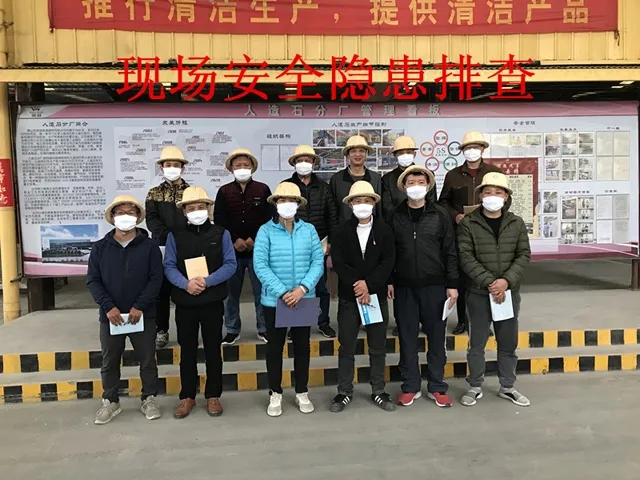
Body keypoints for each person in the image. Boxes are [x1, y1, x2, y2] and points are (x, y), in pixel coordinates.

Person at [457, 172, 531, 407]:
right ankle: (474, 386)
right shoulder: (469, 223)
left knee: (507, 342)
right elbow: (465, 256)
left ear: (506, 196)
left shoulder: (516, 223)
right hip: (478, 293)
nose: (492, 196)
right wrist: (491, 282)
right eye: (487, 192)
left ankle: (507, 386)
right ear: (480, 195)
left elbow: (523, 254)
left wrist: (506, 281)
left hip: (507, 293)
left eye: (498, 192)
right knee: (477, 343)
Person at [87, 195, 163, 425]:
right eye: (120, 212)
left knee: (147, 360)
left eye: (130, 212)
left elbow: (156, 279)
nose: (125, 217)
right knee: (110, 361)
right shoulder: (100, 248)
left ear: (138, 217)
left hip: (142, 315)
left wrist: (140, 306)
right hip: (111, 317)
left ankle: (149, 398)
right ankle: (111, 401)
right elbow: (93, 281)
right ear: (112, 217)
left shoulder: (149, 247)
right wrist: (108, 307)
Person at [387, 165, 458, 408]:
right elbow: (389, 252)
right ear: (404, 187)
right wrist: (389, 280)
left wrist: (452, 284)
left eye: (420, 182)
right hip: (404, 287)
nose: (416, 186)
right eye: (411, 183)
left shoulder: (440, 215)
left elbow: (450, 251)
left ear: (428, 187)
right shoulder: (394, 215)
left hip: (435, 287)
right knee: (407, 338)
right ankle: (410, 386)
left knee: (436, 339)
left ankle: (437, 386)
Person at [164, 186, 237, 419]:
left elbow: (230, 264)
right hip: (185, 301)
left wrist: (207, 281)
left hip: (212, 301)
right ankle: (187, 396)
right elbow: (169, 265)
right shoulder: (175, 235)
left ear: (208, 209)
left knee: (213, 350)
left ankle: (213, 395)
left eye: (201, 207)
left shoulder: (221, 233)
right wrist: (185, 284)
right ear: (184, 211)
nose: (197, 211)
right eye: (191, 208)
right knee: (187, 351)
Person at [253, 182, 324, 417]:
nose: (287, 204)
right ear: (275, 204)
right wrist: (283, 292)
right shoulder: (265, 231)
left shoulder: (309, 230)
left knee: (302, 347)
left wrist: (302, 289)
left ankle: (302, 391)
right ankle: (275, 392)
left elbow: (317, 262)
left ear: (298, 204)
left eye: (291, 200)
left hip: (304, 297)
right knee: (275, 348)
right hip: (275, 300)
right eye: (282, 200)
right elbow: (260, 265)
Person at [330, 181, 396, 413]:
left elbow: (388, 261)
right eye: (357, 201)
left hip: (375, 297)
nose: (362, 205)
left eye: (367, 200)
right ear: (350, 204)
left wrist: (369, 285)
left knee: (377, 346)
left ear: (374, 203)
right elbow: (339, 262)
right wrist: (359, 286)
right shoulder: (341, 231)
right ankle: (344, 391)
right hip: (350, 298)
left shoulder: (385, 230)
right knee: (346, 347)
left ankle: (378, 390)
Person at [438, 131, 502, 335]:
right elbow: (443, 202)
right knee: (462, 279)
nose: (472, 151)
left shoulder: (494, 173)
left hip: (487, 233)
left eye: (476, 147)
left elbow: (505, 200)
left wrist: (492, 215)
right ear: (463, 151)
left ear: (482, 149)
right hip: (461, 233)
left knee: (486, 277)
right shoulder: (453, 175)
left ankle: (484, 323)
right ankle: (462, 321)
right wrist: (456, 215)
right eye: (468, 148)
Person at [214, 148, 273, 345]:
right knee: (231, 294)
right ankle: (232, 329)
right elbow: (219, 221)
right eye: (238, 165)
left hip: (258, 249)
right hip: (232, 251)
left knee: (261, 291)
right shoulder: (224, 191)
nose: (242, 168)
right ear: (231, 169)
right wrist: (234, 240)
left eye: (246, 165)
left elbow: (269, 218)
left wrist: (255, 239)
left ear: (252, 167)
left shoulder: (263, 189)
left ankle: (264, 328)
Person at [381, 135, 435, 337]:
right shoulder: (387, 179)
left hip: (424, 229)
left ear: (414, 153)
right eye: (400, 152)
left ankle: (426, 320)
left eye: (408, 151)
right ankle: (401, 321)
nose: (405, 155)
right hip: (398, 229)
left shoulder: (426, 174)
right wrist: (402, 216)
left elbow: (432, 203)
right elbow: (386, 207)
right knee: (401, 279)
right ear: (395, 155)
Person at [283, 145, 339, 339]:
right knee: (296, 284)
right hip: (293, 242)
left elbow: (332, 216)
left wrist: (331, 241)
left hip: (319, 243)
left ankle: (323, 322)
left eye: (307, 160)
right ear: (294, 163)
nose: (304, 164)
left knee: (320, 285)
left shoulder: (324, 187)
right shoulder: (286, 186)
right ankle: (296, 325)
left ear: (314, 163)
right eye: (300, 160)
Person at [145, 145, 190, 349]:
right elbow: (152, 221)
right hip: (161, 249)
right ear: (161, 167)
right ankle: (161, 331)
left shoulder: (191, 192)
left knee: (185, 290)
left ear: (182, 167)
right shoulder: (154, 193)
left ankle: (186, 330)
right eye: (168, 164)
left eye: (176, 164)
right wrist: (170, 237)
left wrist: (183, 238)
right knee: (160, 293)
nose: (172, 168)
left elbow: (196, 218)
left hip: (187, 248)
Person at [330, 135, 383, 223]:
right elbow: (332, 210)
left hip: (370, 228)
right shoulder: (336, 179)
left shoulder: (375, 178)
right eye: (353, 151)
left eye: (361, 151)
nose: (358, 154)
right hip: (344, 228)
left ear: (366, 154)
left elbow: (379, 209)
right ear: (348, 154)